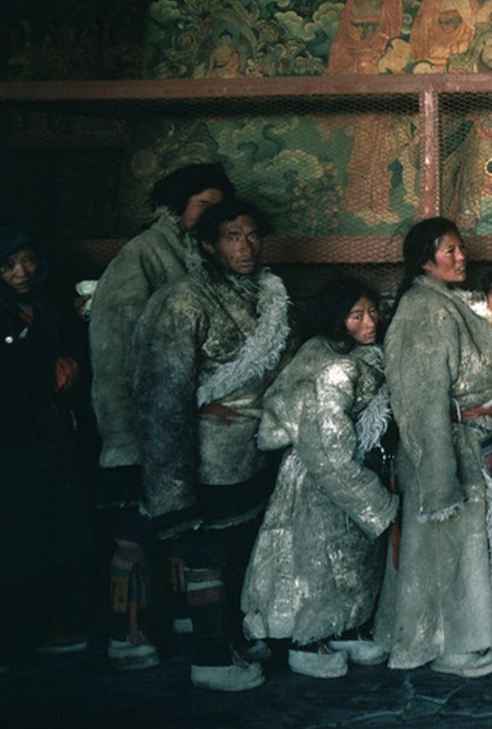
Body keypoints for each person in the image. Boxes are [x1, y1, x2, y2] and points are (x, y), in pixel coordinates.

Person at [131, 197, 292, 691]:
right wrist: (171, 491)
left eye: (251, 235)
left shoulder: (268, 295)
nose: (245, 246)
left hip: (252, 450)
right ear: (207, 245)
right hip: (205, 457)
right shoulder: (184, 299)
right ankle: (210, 659)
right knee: (206, 557)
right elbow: (163, 397)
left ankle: (235, 641)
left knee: (242, 548)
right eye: (230, 237)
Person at [89, 162, 233, 671]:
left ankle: (180, 626)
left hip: (187, 419)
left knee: (181, 525)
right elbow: (114, 347)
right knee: (137, 531)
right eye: (203, 205)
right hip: (140, 418)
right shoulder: (145, 254)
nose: (211, 214)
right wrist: (127, 429)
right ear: (178, 207)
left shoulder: (202, 254)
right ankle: (128, 635)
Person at [374, 218, 492, 677]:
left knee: (467, 548)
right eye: (450, 251)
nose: (461, 258)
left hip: (471, 442)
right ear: (424, 259)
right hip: (444, 447)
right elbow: (420, 399)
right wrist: (438, 476)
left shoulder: (445, 303)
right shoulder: (424, 311)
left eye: (461, 249)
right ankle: (453, 645)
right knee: (448, 547)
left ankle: (469, 637)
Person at [241, 277, 396, 678]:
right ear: (336, 318)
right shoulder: (329, 364)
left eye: (372, 312)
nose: (370, 322)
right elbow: (326, 441)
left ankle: (345, 627)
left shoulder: (363, 355)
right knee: (316, 563)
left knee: (351, 559)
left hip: (348, 467)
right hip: (319, 476)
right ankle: (306, 642)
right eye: (356, 315)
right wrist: (373, 502)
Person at [0, 226, 91, 674]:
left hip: (45, 436)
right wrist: (42, 374)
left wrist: (70, 365)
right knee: (4, 543)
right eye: (9, 265)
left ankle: (43, 631)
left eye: (29, 260)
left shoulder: (44, 307)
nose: (23, 272)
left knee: (48, 532)